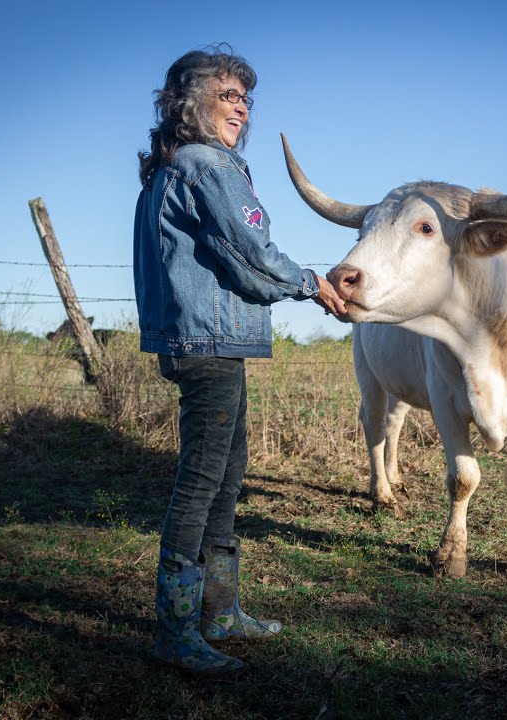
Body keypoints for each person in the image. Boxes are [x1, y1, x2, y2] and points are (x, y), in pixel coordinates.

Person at [133, 44, 345, 675]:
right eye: (227, 95)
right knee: (202, 479)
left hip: (207, 342)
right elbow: (250, 254)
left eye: (245, 97)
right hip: (210, 345)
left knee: (229, 471)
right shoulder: (208, 168)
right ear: (186, 104)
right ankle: (176, 629)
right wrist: (312, 284)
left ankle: (220, 610)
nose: (241, 106)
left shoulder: (171, 170)